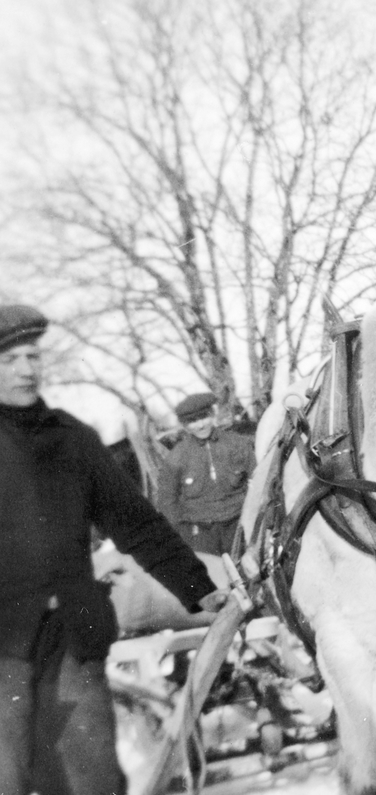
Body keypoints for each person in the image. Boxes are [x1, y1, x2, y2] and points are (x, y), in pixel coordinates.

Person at [0, 304, 226, 795]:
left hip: (71, 637)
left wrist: (199, 589)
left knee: (93, 778)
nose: (25, 368)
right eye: (8, 359)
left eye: (31, 355)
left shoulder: (72, 440)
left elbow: (134, 521)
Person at [158, 391, 257, 556]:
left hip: (238, 524)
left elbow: (257, 480)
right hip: (201, 533)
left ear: (212, 415)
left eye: (203, 417)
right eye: (192, 421)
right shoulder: (177, 457)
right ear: (184, 425)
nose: (200, 425)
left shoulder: (237, 444)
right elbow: (167, 502)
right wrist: (183, 536)